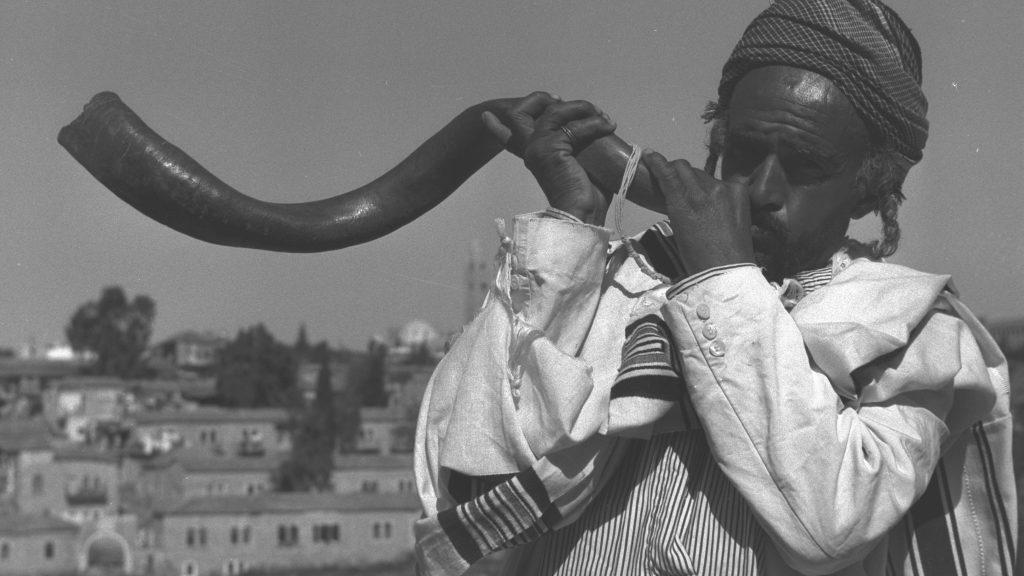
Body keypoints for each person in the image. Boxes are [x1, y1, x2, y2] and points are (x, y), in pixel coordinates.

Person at [413, 1, 1016, 574]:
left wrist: (722, 280)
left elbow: (828, 524)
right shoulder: (620, 283)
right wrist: (573, 229)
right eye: (745, 153)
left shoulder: (913, 331)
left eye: (804, 166)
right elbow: (473, 483)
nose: (760, 190)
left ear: (868, 187)